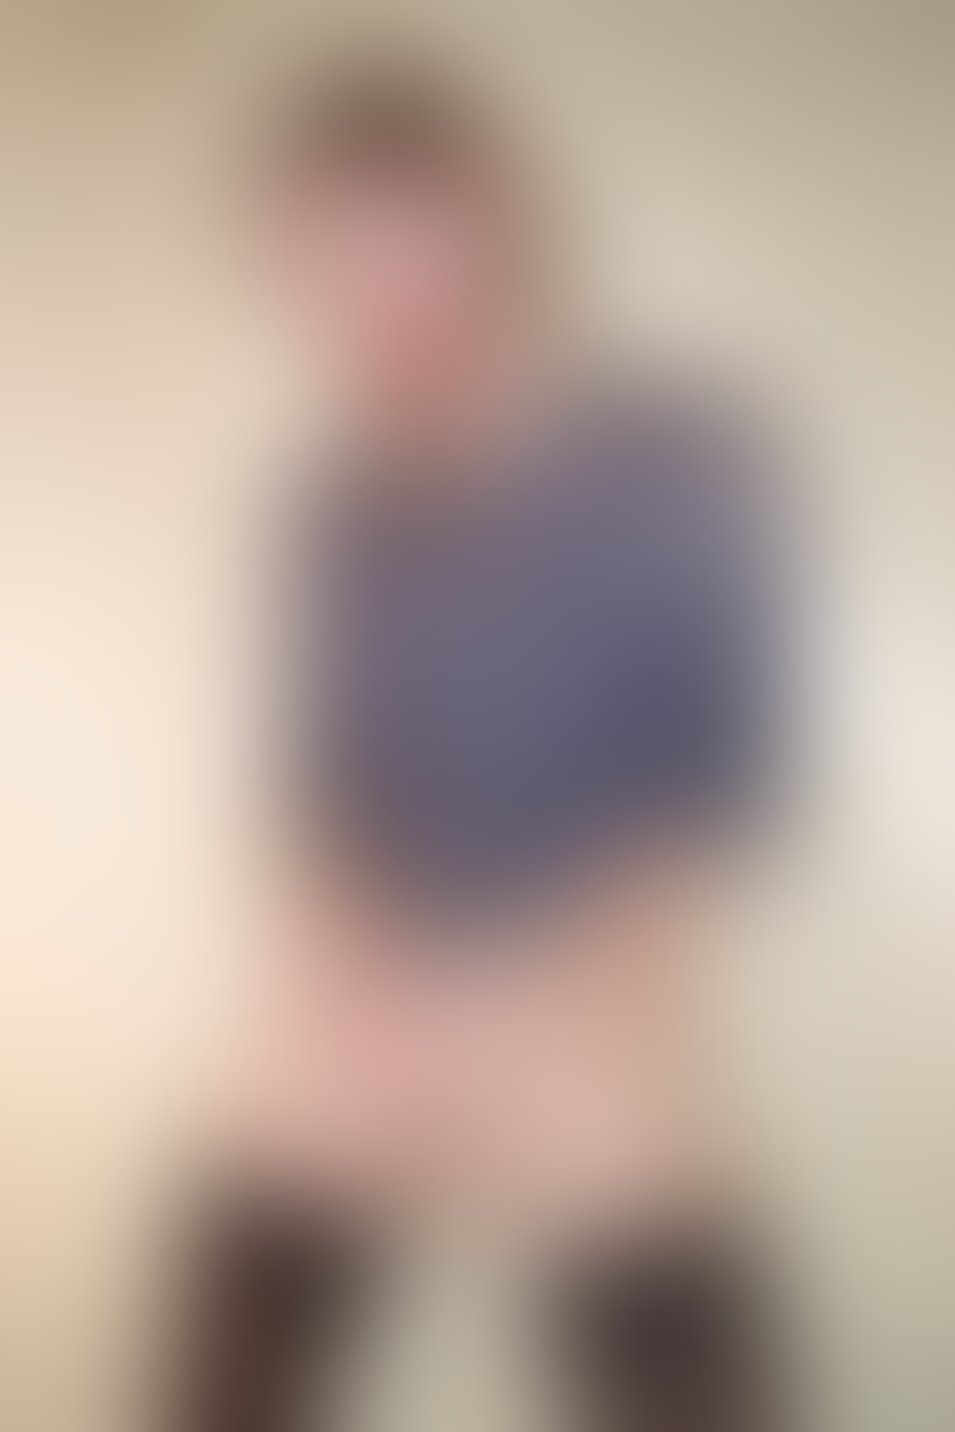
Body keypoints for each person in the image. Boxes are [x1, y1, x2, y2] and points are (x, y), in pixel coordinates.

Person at [169, 66, 793, 1432]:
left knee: (631, 1153)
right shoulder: (328, 509)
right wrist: (346, 985)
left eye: (419, 270)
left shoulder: (681, 459)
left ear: (509, 237)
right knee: (255, 1182)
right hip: (391, 966)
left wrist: (567, 1000)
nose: (389, 325)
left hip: (582, 969)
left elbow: (711, 774)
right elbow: (319, 795)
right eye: (338, 290)